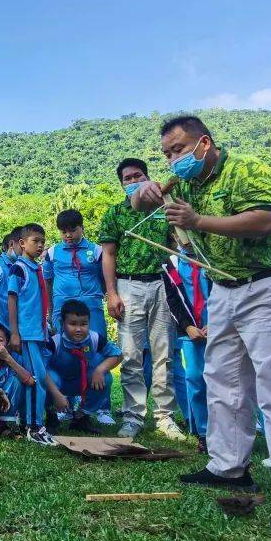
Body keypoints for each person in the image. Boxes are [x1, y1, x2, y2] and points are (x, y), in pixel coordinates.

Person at [134, 114, 271, 533]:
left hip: (268, 286)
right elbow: (138, 204)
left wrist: (197, 222)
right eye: (167, 154)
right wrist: (144, 191)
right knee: (222, 380)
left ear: (203, 143)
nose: (173, 160)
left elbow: (264, 220)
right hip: (223, 289)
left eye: (179, 150)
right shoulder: (185, 181)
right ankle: (228, 466)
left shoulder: (246, 168)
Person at [99, 158, 182, 441]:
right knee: (132, 354)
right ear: (121, 183)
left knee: (164, 352)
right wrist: (112, 293)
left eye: (138, 176)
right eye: (127, 178)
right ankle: (133, 416)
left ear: (148, 177)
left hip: (162, 283)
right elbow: (108, 255)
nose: (133, 181)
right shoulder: (115, 213)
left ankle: (165, 418)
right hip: (128, 285)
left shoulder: (165, 206)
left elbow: (178, 243)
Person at [44, 210, 115, 425]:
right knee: (63, 355)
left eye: (72, 230)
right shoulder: (52, 252)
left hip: (91, 309)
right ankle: (66, 405)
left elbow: (105, 277)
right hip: (61, 310)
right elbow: (47, 281)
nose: (68, 235)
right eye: (64, 231)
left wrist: (99, 296)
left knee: (97, 355)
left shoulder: (96, 250)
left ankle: (101, 408)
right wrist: (50, 311)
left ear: (81, 227)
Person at [7, 223, 58, 447]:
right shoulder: (18, 269)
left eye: (42, 242)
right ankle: (35, 426)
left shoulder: (35, 269)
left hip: (38, 333)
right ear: (22, 243)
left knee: (35, 378)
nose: (40, 246)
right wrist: (15, 333)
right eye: (35, 241)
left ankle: (31, 424)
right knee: (36, 379)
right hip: (26, 334)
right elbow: (12, 300)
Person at [45, 300, 121, 433]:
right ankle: (51, 416)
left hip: (81, 382)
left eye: (84, 324)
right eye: (72, 324)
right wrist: (56, 393)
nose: (79, 329)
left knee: (106, 378)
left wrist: (100, 369)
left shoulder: (95, 338)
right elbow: (41, 369)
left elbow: (117, 355)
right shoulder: (55, 342)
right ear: (63, 324)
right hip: (58, 383)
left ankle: (82, 417)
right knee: (46, 379)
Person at [162, 251, 210, 450]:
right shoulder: (171, 263)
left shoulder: (211, 257)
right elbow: (171, 299)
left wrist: (217, 322)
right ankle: (204, 433)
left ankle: (231, 430)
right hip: (191, 331)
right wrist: (187, 326)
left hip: (220, 326)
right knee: (195, 378)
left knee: (226, 381)